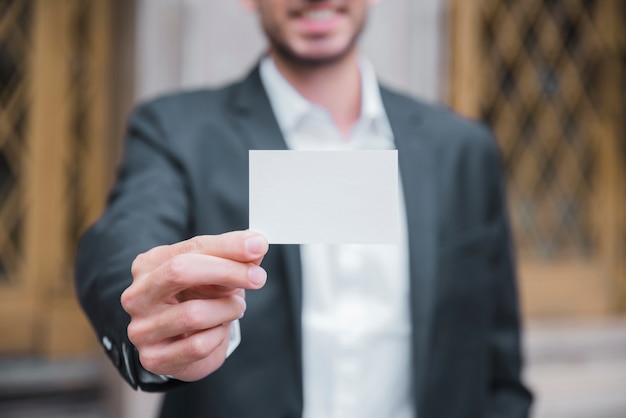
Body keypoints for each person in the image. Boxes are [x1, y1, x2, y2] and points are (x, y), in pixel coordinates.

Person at [75, 1, 533, 417]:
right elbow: (123, 237)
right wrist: (147, 306)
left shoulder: (461, 149)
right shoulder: (178, 131)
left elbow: (499, 365)